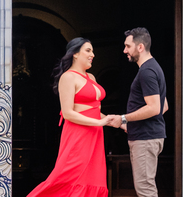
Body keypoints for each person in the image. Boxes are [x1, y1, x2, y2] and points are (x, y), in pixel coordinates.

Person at [27, 37, 116, 197]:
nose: (93, 54)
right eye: (88, 50)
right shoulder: (68, 77)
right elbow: (68, 113)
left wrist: (114, 121)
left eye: (93, 51)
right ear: (75, 53)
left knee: (93, 179)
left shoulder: (92, 78)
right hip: (78, 135)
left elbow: (94, 110)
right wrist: (99, 122)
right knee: (69, 177)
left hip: (95, 135)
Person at [118, 27, 169, 197]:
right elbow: (164, 105)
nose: (125, 50)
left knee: (145, 190)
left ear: (140, 47)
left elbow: (154, 108)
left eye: (128, 46)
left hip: (145, 138)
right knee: (146, 187)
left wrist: (124, 119)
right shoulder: (153, 68)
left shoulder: (146, 71)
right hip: (148, 135)